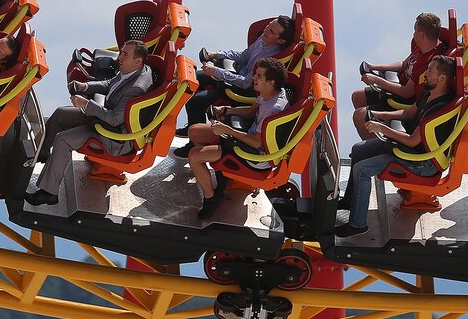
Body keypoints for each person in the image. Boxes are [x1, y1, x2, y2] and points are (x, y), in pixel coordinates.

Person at [336, 54, 457, 237]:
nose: (425, 73)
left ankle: (358, 225)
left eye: (430, 70)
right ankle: (350, 200)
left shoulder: (438, 109)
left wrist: (382, 129)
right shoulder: (429, 92)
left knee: (362, 169)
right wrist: (381, 115)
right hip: (413, 148)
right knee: (359, 149)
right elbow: (409, 113)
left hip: (423, 162)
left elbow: (412, 141)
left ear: (442, 78)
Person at [24, 40, 153, 206]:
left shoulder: (136, 88)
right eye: (121, 52)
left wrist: (86, 104)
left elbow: (114, 119)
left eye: (125, 55)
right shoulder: (132, 69)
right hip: (104, 120)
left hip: (114, 136)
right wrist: (84, 86)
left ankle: (49, 193)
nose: (120, 57)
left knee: (63, 139)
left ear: (138, 61)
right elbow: (110, 84)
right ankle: (42, 153)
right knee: (60, 114)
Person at [185, 57, 289, 219]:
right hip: (246, 136)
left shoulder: (273, 110)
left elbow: (256, 142)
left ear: (271, 82)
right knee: (194, 131)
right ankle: (221, 172)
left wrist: (226, 129)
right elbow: (250, 112)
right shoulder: (269, 93)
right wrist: (227, 111)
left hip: (254, 154)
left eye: (259, 76)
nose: (253, 78)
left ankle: (211, 198)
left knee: (194, 156)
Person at [181, 14, 294, 130]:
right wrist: (216, 54)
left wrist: (215, 71)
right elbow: (244, 55)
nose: (266, 30)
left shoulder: (271, 58)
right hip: (237, 74)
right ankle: (192, 126)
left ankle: (193, 138)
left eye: (271, 31)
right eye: (268, 26)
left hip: (243, 89)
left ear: (280, 40)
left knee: (194, 101)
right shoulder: (263, 39)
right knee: (193, 78)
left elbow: (246, 83)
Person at [350, 12, 445, 139]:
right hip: (397, 82)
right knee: (357, 96)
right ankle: (373, 135)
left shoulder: (429, 63)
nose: (413, 35)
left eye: (415, 31)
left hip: (403, 98)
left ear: (422, 34)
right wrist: (374, 67)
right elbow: (404, 64)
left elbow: (406, 92)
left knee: (359, 115)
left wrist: (377, 80)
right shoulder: (421, 47)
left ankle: (375, 147)